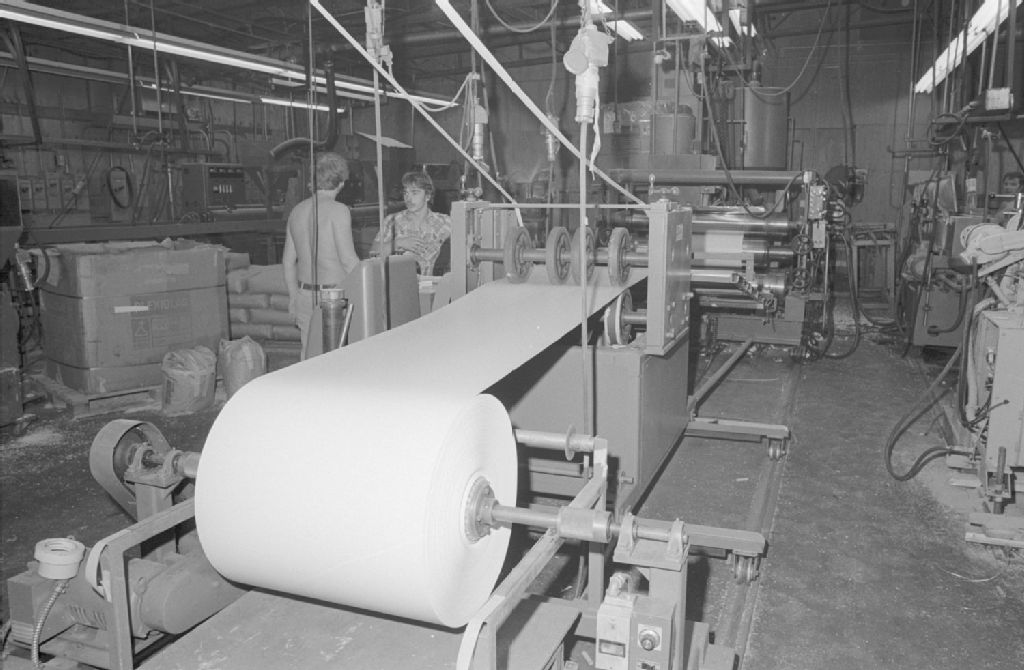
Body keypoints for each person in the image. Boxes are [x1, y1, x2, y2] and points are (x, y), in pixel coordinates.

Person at [283, 152, 360, 358]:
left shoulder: (297, 211)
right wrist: (369, 283)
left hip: (304, 295)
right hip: (334, 298)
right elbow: (348, 260)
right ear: (341, 182)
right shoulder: (339, 210)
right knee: (338, 358)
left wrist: (293, 297)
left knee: (309, 354)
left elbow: (288, 261)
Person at [370, 171, 452, 275]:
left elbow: (464, 247)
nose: (408, 198)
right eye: (406, 193)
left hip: (434, 283)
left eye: (414, 192)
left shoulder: (445, 222)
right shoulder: (392, 221)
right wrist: (398, 243)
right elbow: (373, 254)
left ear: (427, 196)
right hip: (401, 283)